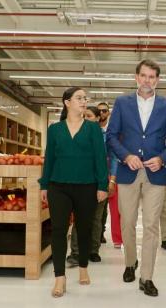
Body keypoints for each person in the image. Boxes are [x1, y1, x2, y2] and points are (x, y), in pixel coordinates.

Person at [107, 59, 166, 297]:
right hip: (128, 171)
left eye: (152, 77)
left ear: (157, 80)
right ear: (136, 77)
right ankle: (130, 262)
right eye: (144, 76)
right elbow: (112, 136)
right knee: (127, 222)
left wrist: (163, 158)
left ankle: (147, 277)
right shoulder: (122, 103)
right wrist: (126, 156)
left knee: (150, 226)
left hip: (155, 173)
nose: (148, 80)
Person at [39, 87, 108, 298]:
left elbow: (100, 158)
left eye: (85, 98)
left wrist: (102, 186)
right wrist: (44, 184)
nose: (84, 101)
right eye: (79, 98)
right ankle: (60, 278)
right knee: (59, 230)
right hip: (58, 186)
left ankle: (83, 267)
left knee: (84, 229)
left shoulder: (93, 129)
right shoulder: (55, 129)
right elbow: (49, 158)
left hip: (86, 186)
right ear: (67, 102)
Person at [66, 106, 110, 265]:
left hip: (99, 181)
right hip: (80, 181)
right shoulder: (76, 133)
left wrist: (108, 182)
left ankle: (93, 250)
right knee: (79, 218)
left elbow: (110, 160)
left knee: (96, 219)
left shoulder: (107, 136)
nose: (85, 118)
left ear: (98, 118)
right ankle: (76, 252)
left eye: (89, 116)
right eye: (84, 115)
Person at [98, 102, 122, 248]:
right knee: (97, 210)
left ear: (108, 113)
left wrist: (113, 178)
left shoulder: (113, 131)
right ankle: (98, 236)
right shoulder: (90, 129)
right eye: (99, 111)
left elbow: (114, 156)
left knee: (115, 209)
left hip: (112, 174)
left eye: (104, 110)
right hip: (95, 174)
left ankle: (117, 238)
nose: (101, 113)